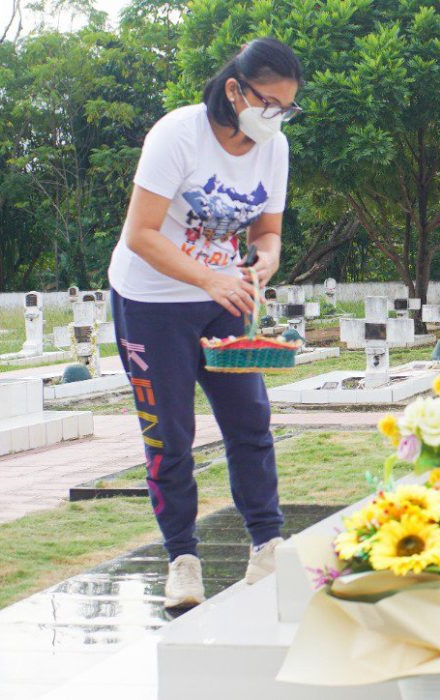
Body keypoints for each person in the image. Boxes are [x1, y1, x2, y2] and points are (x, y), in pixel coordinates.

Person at [107, 38, 303, 609]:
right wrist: (209, 278)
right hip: (152, 300)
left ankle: (267, 547)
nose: (277, 118)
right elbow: (139, 234)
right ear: (236, 90)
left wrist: (264, 259)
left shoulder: (275, 149)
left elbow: (268, 231)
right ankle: (182, 560)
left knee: (251, 420)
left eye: (287, 109)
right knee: (170, 436)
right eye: (269, 104)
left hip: (224, 294)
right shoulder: (178, 134)